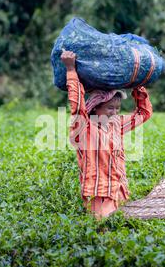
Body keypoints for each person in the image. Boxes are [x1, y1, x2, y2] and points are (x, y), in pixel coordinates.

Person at [60, 49, 153, 219]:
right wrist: (71, 71)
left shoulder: (116, 124)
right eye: (110, 108)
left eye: (117, 108)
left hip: (120, 191)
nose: (114, 113)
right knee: (105, 229)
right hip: (99, 194)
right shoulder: (84, 128)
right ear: (96, 107)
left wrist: (137, 84)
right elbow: (77, 106)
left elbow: (143, 114)